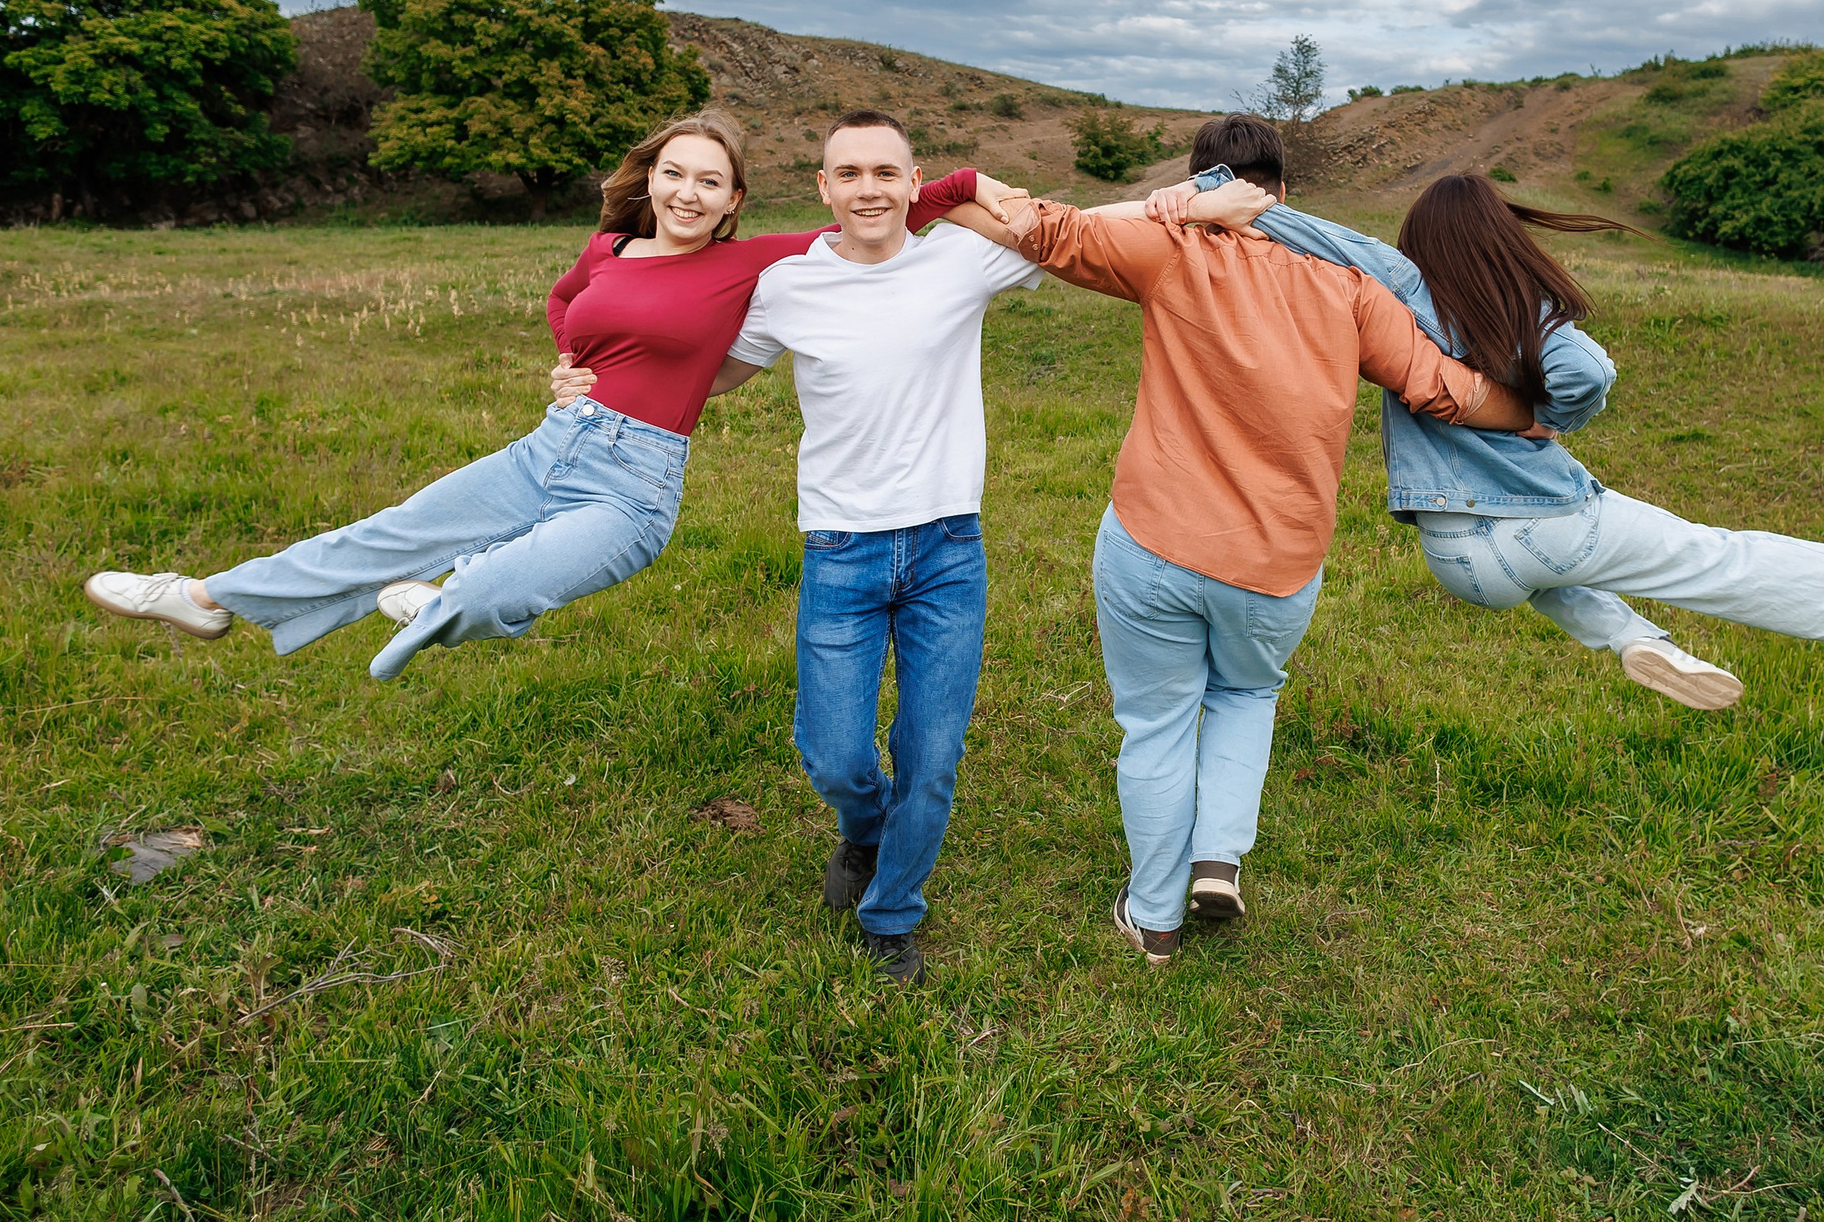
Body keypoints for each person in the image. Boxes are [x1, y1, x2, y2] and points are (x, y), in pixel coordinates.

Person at [83, 112, 989, 683]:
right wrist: (571, 363)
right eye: (674, 173)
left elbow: (885, 206)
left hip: (633, 482)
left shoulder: (746, 260)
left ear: (732, 201)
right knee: (387, 532)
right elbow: (564, 303)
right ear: (651, 180)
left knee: (494, 589)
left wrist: (970, 187)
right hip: (551, 445)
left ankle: (445, 601)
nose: (687, 190)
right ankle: (203, 597)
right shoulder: (609, 251)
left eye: (709, 180)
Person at [954, 118, 1538, 965]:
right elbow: (1441, 389)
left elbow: (1035, 227)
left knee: (1156, 723)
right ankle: (1218, 859)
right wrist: (1536, 415)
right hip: (1276, 563)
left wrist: (931, 196)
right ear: (1284, 193)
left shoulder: (1170, 246)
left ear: (1204, 185)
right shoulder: (1348, 285)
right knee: (1245, 697)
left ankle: (1154, 920)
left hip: (1154, 538)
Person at [1154, 150, 1824, 708]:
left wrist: (1212, 192)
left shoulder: (1401, 281)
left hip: (1456, 558)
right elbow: (1589, 376)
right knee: (1708, 553)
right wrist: (1542, 417)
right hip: (1539, 525)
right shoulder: (1523, 314)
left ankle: (1636, 641)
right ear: (1500, 235)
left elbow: (1321, 233)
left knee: (1556, 573)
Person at [553, 110, 1040, 986]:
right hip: (842, 547)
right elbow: (703, 366)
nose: (867, 189)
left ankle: (892, 912)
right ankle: (863, 829)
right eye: (847, 173)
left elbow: (1076, 232)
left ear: (910, 180)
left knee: (932, 759)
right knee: (835, 753)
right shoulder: (788, 283)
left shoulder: (963, 261)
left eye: (885, 173)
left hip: (946, 548)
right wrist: (591, 374)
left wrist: (1191, 200)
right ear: (823, 188)